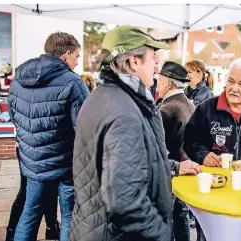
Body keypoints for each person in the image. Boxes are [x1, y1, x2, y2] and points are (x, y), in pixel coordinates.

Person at [69, 26, 200, 241]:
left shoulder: (104, 96)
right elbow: (125, 201)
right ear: (134, 62)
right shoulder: (124, 111)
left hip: (95, 227)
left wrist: (175, 167)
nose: (157, 65)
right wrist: (162, 233)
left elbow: (126, 163)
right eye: (152, 57)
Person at [8, 32, 89, 241]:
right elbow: (84, 127)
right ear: (66, 54)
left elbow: (14, 117)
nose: (77, 62)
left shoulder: (18, 79)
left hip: (33, 163)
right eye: (77, 57)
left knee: (30, 213)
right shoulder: (73, 82)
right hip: (66, 165)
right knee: (70, 216)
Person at [184, 57, 241, 167]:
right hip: (214, 180)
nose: (234, 88)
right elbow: (189, 142)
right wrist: (203, 155)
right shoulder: (207, 108)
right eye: (231, 81)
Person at [156, 61, 201, 241]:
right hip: (187, 166)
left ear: (169, 83)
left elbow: (158, 146)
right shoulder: (187, 102)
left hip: (174, 170)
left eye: (159, 80)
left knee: (170, 217)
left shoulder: (167, 108)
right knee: (180, 213)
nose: (156, 84)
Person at [5, 146, 60, 241]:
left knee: (51, 189)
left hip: (33, 145)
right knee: (27, 192)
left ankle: (52, 228)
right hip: (34, 147)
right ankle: (12, 233)